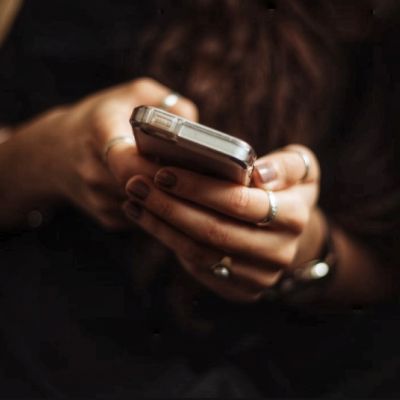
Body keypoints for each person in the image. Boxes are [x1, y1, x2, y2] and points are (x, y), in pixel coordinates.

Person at [0, 0, 400, 397]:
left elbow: (384, 277)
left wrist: (308, 248)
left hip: (269, 366)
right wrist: (52, 151)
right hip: (42, 325)